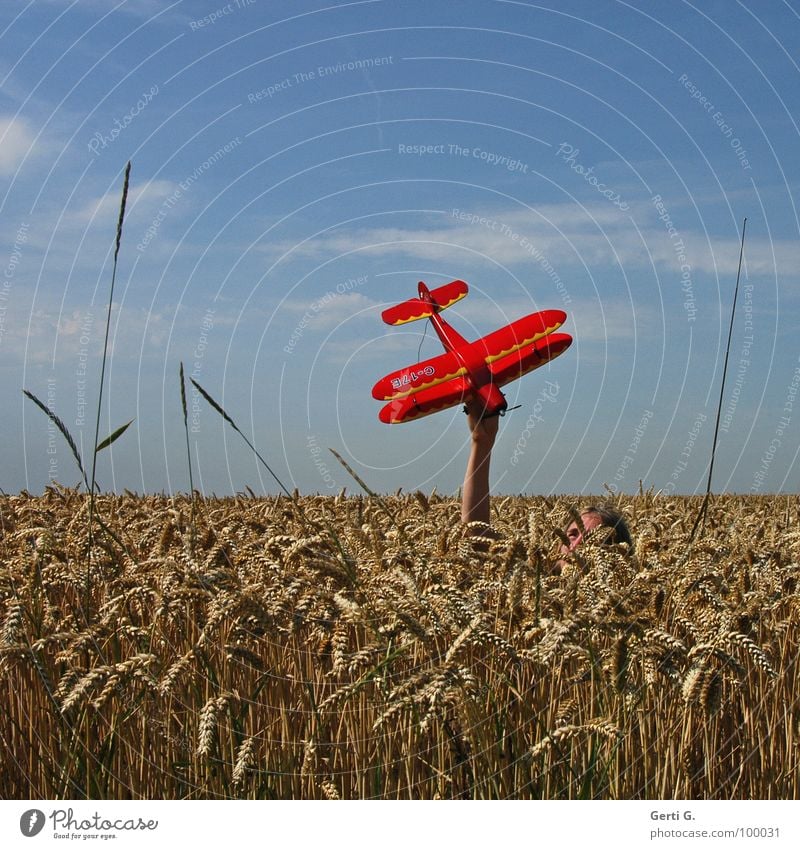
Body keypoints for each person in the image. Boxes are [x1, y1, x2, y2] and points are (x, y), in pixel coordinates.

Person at [461, 398, 632, 552]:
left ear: (618, 552)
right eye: (572, 535)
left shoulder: (628, 586)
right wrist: (481, 441)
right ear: (558, 544)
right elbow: (478, 540)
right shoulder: (535, 573)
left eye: (593, 540)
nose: (577, 544)